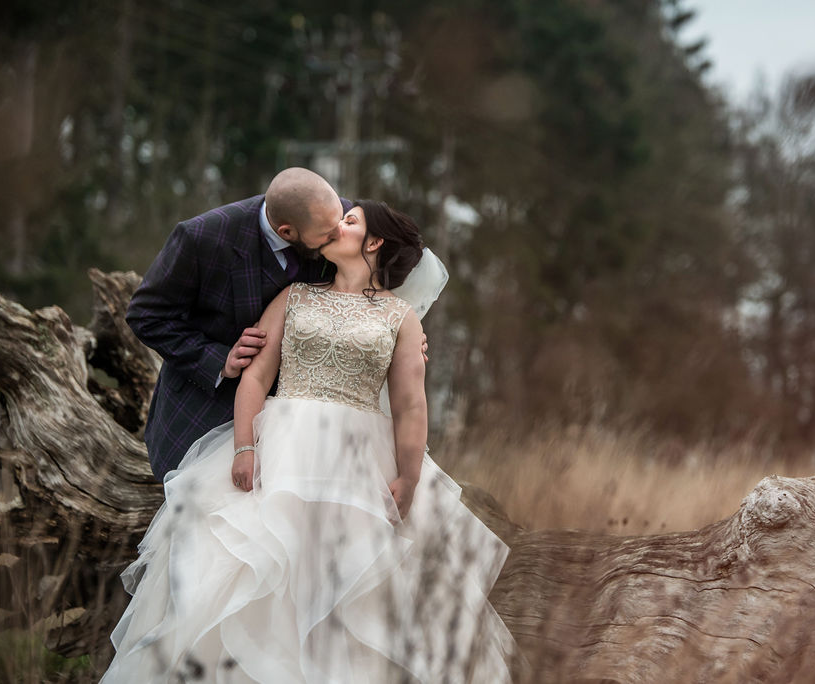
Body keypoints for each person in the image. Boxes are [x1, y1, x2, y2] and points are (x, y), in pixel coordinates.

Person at [102, 201, 515, 682]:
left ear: (375, 242)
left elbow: (410, 405)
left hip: (359, 464)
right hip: (280, 450)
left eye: (351, 220)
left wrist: (409, 476)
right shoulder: (294, 296)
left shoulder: (401, 318)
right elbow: (256, 378)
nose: (338, 224)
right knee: (251, 573)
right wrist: (243, 448)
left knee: (357, 585)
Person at [127, 167, 429, 480]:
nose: (339, 230)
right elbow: (145, 314)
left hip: (320, 431)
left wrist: (398, 338)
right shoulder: (203, 237)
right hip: (206, 409)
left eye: (344, 219)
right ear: (287, 232)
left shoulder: (331, 214)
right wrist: (219, 360)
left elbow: (386, 260)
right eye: (329, 234)